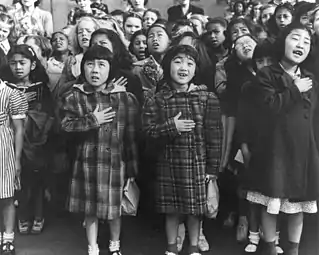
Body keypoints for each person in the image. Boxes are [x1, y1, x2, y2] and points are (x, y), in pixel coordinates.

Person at [246, 22, 319, 255]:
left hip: (302, 151)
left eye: (306, 41)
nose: (301, 44)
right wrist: (294, 89)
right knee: (271, 204)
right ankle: (270, 248)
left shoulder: (310, 77)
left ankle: (293, 250)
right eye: (295, 38)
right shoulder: (267, 74)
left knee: (297, 206)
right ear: (283, 42)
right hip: (275, 149)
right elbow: (269, 108)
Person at [143, 44, 222, 255]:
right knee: (171, 211)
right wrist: (171, 127)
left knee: (196, 212)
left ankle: (194, 247)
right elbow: (147, 133)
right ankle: (171, 248)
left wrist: (212, 170)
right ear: (168, 65)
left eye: (189, 62)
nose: (183, 67)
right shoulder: (157, 100)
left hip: (197, 165)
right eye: (178, 61)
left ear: (196, 69)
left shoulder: (207, 99)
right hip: (168, 165)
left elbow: (214, 137)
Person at [61, 45, 139, 255]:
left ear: (110, 69)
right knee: (90, 210)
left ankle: (115, 246)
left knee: (114, 210)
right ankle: (92, 247)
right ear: (82, 68)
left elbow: (130, 137)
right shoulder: (75, 97)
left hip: (114, 163)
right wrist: (92, 120)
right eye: (90, 64)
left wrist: (132, 168)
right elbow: (66, 126)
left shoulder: (123, 99)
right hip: (86, 163)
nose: (95, 70)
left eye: (101, 65)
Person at [236, 41, 284, 254]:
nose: (264, 65)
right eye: (259, 61)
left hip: (277, 148)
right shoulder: (249, 87)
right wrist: (244, 146)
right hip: (254, 146)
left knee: (275, 196)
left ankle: (274, 237)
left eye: (269, 60)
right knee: (253, 195)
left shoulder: (284, 86)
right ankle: (253, 235)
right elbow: (242, 119)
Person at [2, 44, 54, 236]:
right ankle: (23, 216)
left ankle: (39, 215)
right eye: (13, 63)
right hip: (11, 140)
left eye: (22, 63)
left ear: (32, 65)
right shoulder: (5, 88)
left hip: (36, 141)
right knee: (18, 180)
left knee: (37, 179)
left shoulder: (40, 89)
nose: (18, 67)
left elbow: (48, 114)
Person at [0, 47, 27, 255]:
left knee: (7, 196)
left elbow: (18, 130)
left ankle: (8, 237)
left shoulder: (10, 94)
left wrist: (17, 159)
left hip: (4, 150)